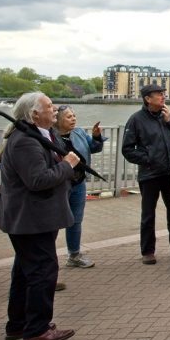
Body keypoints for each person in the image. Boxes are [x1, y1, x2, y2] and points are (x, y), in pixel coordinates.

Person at [0, 92, 79, 340]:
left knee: (25, 271)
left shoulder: (38, 136)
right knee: (43, 271)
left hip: (35, 217)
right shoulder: (25, 142)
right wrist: (67, 165)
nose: (54, 110)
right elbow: (37, 180)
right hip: (31, 218)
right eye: (49, 107)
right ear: (34, 114)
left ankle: (20, 323)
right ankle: (37, 330)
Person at [122, 83, 170, 264]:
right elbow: (128, 149)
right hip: (150, 174)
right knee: (148, 214)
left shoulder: (167, 114)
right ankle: (148, 251)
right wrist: (149, 158)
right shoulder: (136, 120)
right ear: (147, 98)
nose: (163, 97)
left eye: (163, 93)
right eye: (159, 94)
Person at [55, 105, 105, 268]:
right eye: (69, 117)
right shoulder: (49, 136)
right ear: (58, 119)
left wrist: (96, 137)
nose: (73, 119)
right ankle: (47, 258)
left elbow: (94, 148)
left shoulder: (79, 133)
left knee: (76, 220)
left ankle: (74, 255)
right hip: (58, 185)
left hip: (78, 183)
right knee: (53, 222)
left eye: (74, 116)